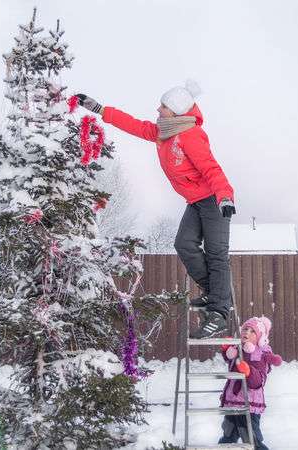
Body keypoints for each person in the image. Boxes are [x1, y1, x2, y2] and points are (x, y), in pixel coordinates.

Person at [75, 80, 236, 339]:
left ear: (175, 111)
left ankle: (218, 313)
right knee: (184, 244)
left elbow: (211, 168)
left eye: (163, 106)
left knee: (217, 254)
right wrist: (100, 109)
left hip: (214, 200)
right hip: (195, 201)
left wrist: (225, 197)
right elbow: (135, 125)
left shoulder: (191, 135)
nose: (158, 109)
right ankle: (214, 293)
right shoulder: (164, 132)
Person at [219, 316, 282, 449]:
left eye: (252, 331)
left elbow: (259, 381)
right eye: (245, 329)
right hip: (232, 401)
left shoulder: (261, 354)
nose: (246, 332)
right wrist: (226, 350)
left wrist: (248, 372)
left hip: (249, 404)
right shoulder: (237, 348)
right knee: (228, 434)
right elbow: (231, 363)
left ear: (260, 337)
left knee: (251, 438)